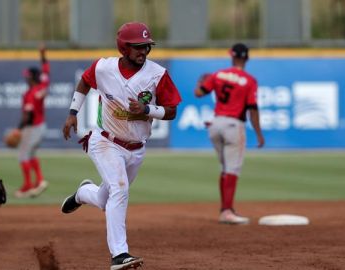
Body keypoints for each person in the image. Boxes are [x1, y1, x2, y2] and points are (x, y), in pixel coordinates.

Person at [61, 22, 182, 270]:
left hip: (136, 148)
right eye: (138, 47)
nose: (144, 51)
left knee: (107, 199)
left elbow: (171, 111)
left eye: (146, 46)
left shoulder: (157, 74)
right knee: (119, 189)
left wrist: (148, 109)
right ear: (123, 48)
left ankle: (83, 193)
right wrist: (73, 113)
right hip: (105, 141)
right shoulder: (104, 67)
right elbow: (84, 82)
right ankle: (119, 255)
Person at [194, 43, 265, 225]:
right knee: (232, 169)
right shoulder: (249, 80)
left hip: (215, 124)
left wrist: (200, 82)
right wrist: (258, 133)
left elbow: (198, 93)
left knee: (225, 168)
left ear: (232, 56)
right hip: (234, 125)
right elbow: (252, 109)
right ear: (247, 58)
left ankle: (225, 209)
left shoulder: (218, 74)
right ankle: (227, 211)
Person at [14, 44, 50, 198]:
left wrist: (18, 129)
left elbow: (27, 116)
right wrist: (43, 55)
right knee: (32, 154)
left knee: (23, 155)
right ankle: (39, 181)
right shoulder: (42, 86)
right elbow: (46, 71)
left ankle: (28, 185)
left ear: (32, 78)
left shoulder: (30, 93)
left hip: (32, 127)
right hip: (41, 126)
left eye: (28, 76)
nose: (26, 78)